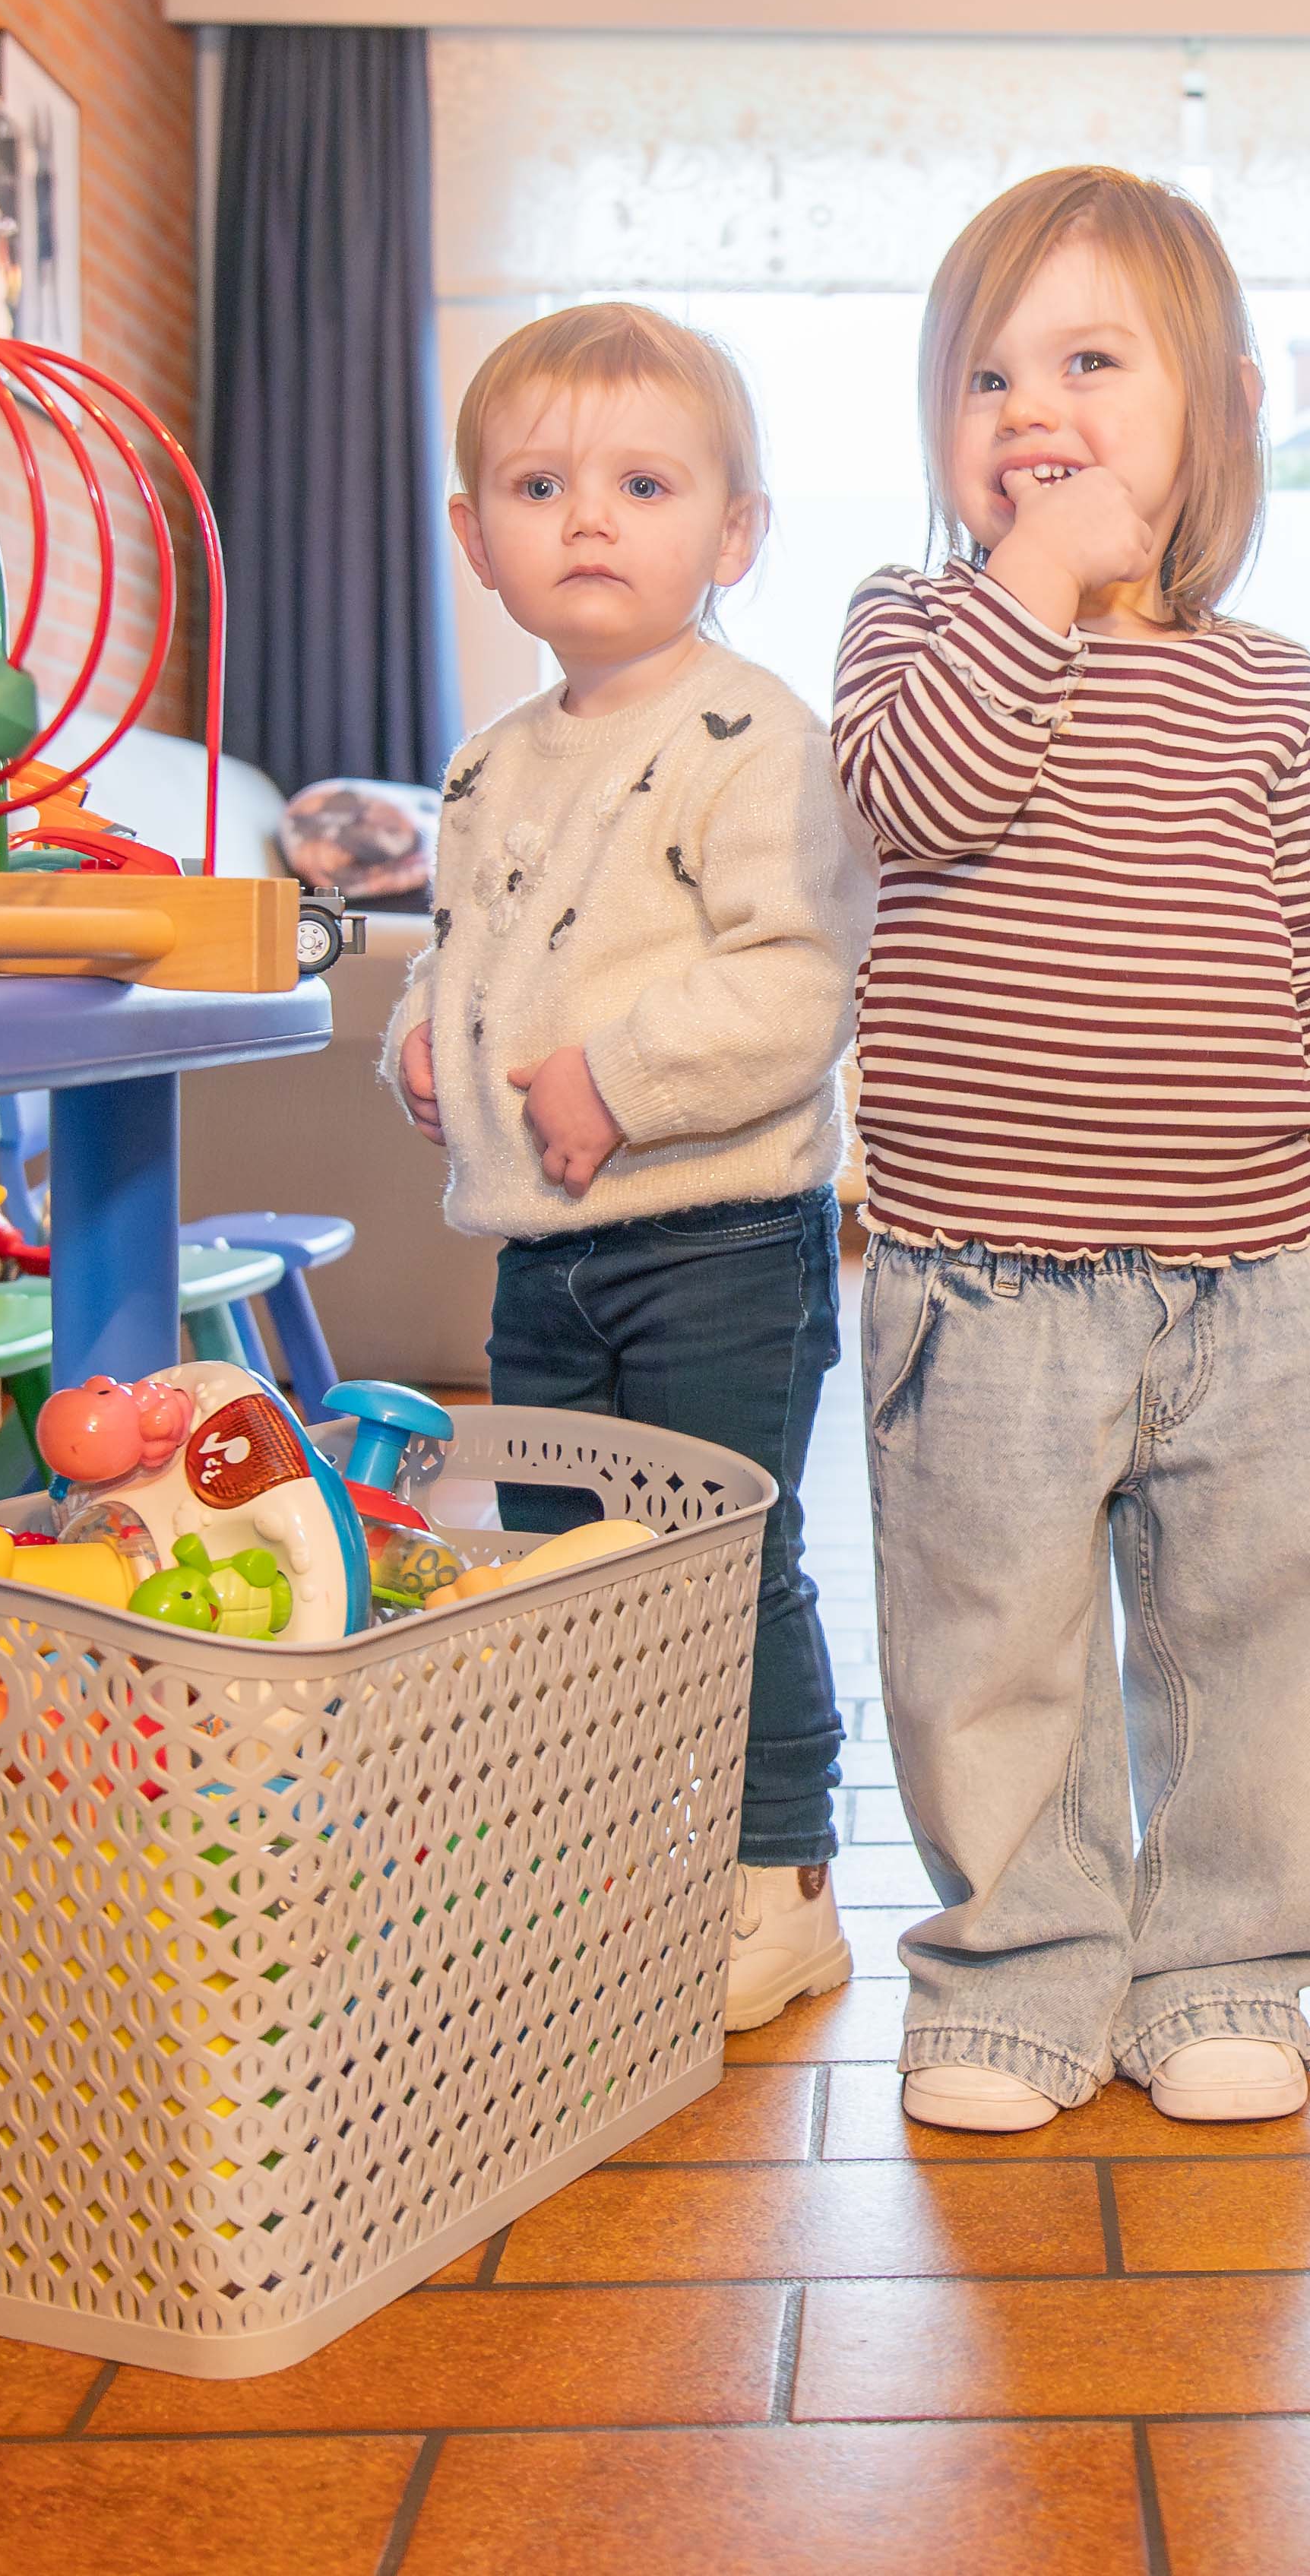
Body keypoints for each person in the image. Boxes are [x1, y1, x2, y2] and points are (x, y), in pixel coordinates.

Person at [831, 164, 1310, 2134]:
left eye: (1088, 360)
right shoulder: (913, 629)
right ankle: (1019, 1961)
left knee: (1253, 1628)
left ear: (1215, 411)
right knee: (994, 1641)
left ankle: (1229, 1959)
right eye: (988, 378)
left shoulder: (1271, 683)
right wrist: (1034, 584)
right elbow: (924, 800)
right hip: (980, 1273)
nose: (1033, 410)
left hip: (1241, 1269)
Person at [383, 303, 875, 2035]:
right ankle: (617, 1852)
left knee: (726, 1551)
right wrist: (427, 1051)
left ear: (731, 532)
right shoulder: (492, 760)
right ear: (476, 537)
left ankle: (777, 1873)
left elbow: (801, 973)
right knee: (559, 1552)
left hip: (723, 1234)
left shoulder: (759, 734)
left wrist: (621, 1072)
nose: (590, 518)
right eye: (539, 483)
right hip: (544, 1247)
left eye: (645, 481)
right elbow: (470, 958)